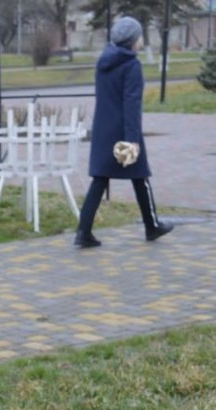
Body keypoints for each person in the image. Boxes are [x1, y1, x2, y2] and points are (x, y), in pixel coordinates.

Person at [74, 15, 173, 249]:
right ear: (132, 41)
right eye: (138, 37)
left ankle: (83, 232)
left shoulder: (103, 62)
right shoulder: (131, 65)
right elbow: (131, 104)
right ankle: (152, 226)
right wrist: (132, 140)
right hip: (124, 131)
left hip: (102, 129)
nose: (140, 41)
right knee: (141, 177)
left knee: (99, 180)